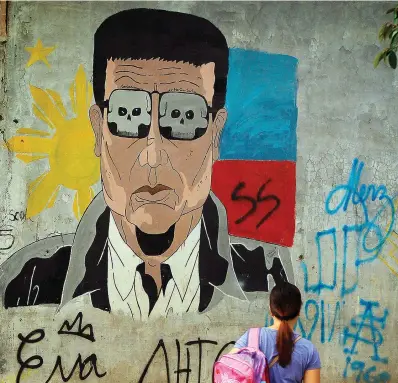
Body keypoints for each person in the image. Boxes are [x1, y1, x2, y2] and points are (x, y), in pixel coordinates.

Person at [0, 8, 293, 317]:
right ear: (99, 131)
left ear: (215, 135)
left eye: (184, 117)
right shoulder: (27, 285)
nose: (153, 155)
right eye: (128, 114)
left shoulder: (267, 276)